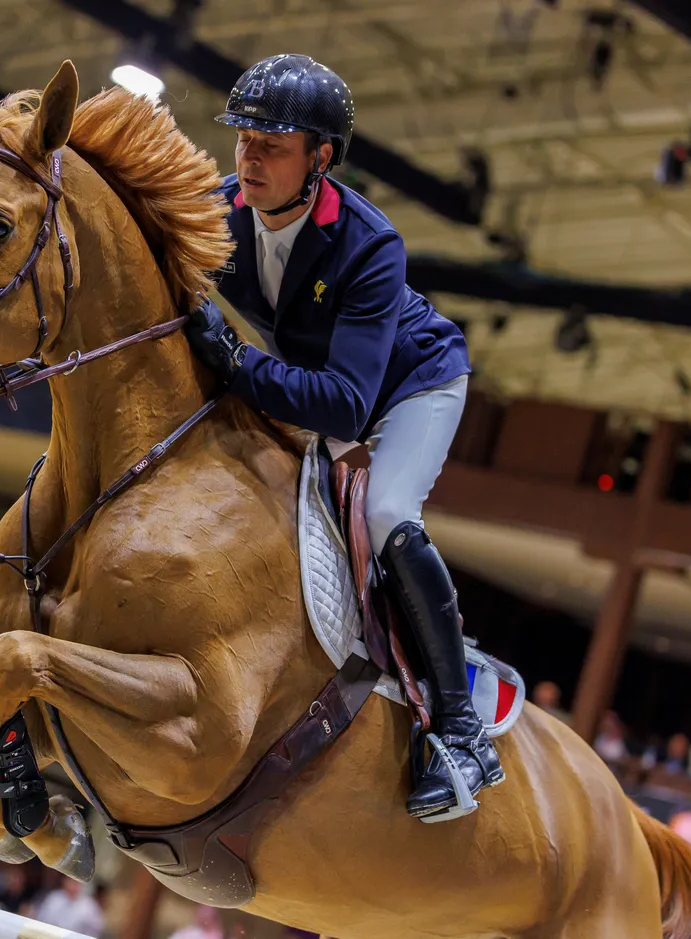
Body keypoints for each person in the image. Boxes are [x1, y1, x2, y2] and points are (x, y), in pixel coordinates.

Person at [186, 54, 492, 821]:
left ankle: (460, 729)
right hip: (313, 383)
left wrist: (234, 362)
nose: (249, 158)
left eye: (273, 144)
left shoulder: (369, 243)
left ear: (321, 158)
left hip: (406, 388)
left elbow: (347, 408)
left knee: (387, 513)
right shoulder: (220, 210)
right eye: (244, 139)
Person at [31, 875, 104, 938]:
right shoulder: (54, 898)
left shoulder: (89, 904)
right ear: (64, 882)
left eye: (76, 882)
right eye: (70, 881)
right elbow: (42, 919)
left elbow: (96, 928)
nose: (73, 885)